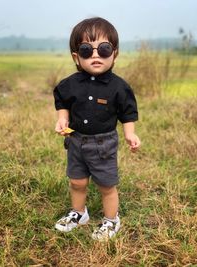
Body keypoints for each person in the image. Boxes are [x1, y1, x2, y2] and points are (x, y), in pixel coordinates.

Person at [53, 17, 141, 241]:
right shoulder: (68, 84)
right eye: (86, 50)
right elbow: (62, 103)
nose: (95, 55)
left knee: (106, 185)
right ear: (76, 56)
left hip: (104, 144)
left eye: (103, 49)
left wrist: (130, 134)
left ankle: (112, 220)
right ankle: (79, 213)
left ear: (115, 53)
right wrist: (62, 119)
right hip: (76, 142)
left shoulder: (119, 87)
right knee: (77, 181)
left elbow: (127, 113)